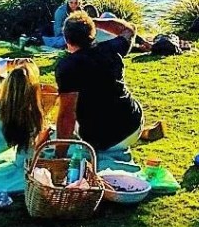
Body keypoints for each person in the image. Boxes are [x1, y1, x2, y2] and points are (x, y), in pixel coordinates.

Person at [55, 11, 144, 154]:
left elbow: (67, 116)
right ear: (93, 33)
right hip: (132, 128)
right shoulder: (111, 48)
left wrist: (59, 155)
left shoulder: (67, 67)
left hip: (97, 141)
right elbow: (129, 29)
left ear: (67, 40)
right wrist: (93, 22)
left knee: (65, 118)